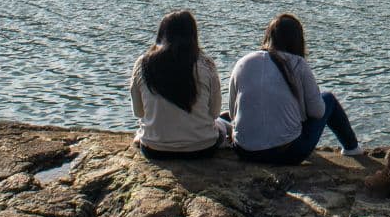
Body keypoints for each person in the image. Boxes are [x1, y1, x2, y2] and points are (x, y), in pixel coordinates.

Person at [228, 13, 362, 164]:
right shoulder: (298, 64)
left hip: (244, 152)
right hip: (286, 154)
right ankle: (352, 148)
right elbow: (317, 112)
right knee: (328, 99)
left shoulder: (243, 62)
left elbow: (233, 114)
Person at [130, 10, 229, 158]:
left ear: (161, 35)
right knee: (223, 123)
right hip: (202, 148)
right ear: (193, 36)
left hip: (154, 149)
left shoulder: (143, 64)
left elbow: (139, 113)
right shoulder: (207, 64)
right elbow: (214, 113)